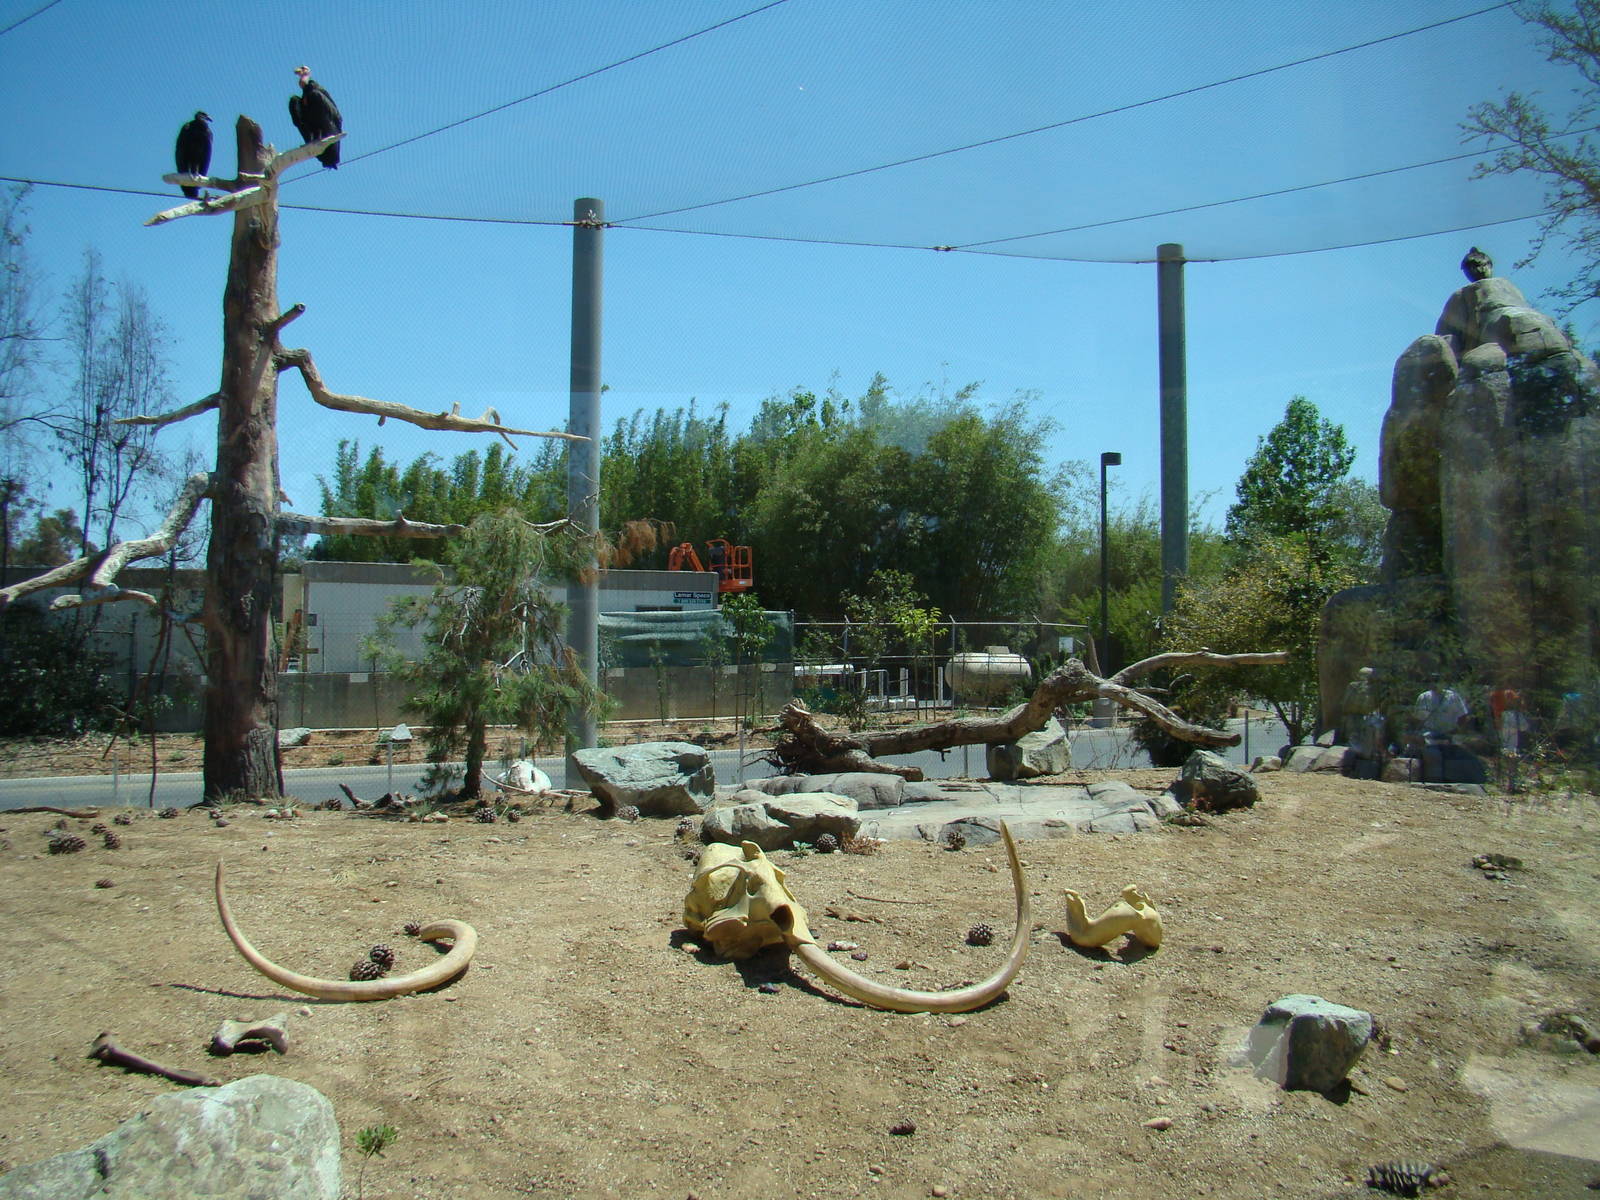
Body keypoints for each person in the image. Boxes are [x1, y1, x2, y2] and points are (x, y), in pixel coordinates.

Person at [1413, 679, 1469, 744]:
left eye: (1439, 680)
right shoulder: (1424, 697)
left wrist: (1456, 730)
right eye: (1434, 680)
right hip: (1430, 735)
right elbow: (1418, 718)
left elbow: (1462, 716)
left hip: (1449, 734)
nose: (1436, 683)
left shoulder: (1453, 696)